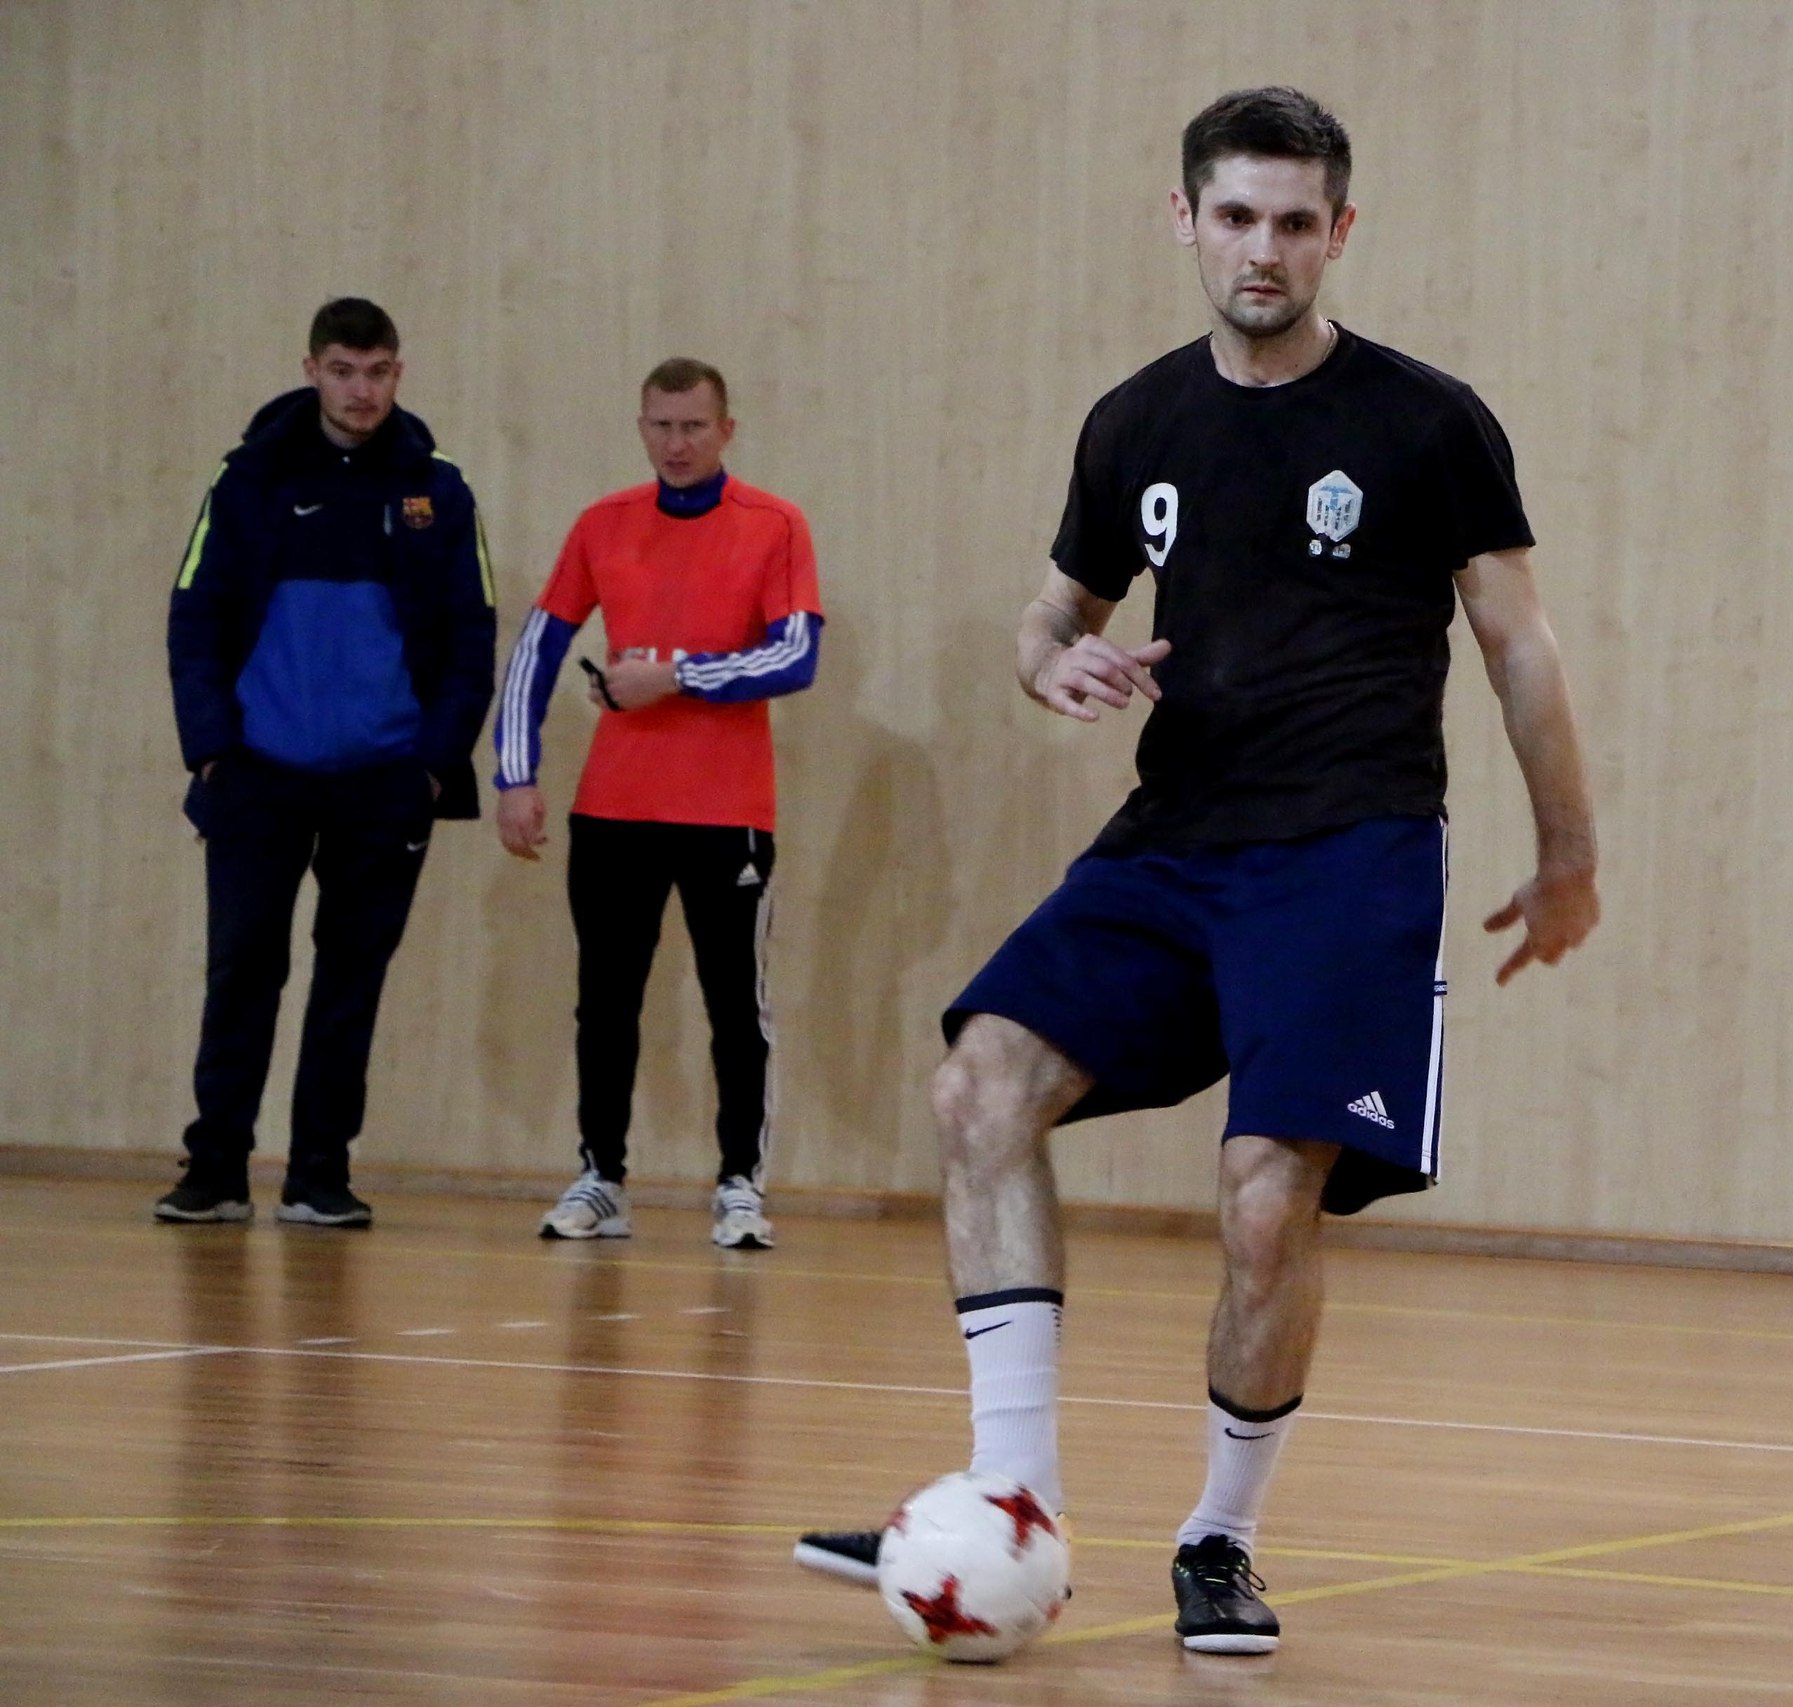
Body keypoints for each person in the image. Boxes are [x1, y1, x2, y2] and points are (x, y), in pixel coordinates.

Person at [794, 88, 1599, 1653]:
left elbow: (1519, 642)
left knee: (1264, 1201)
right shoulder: (1137, 420)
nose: (1263, 249)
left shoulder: (1428, 422)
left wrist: (1569, 850)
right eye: (1235, 215)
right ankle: (1013, 1502)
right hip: (1174, 842)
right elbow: (1055, 610)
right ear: (1186, 219)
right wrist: (1052, 661)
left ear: (1339, 231)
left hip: (1352, 851)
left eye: (1296, 221)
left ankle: (1220, 1535)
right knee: (980, 1085)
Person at [160, 297, 498, 1228]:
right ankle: (216, 1168)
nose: (361, 391)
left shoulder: (440, 492)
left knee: (351, 980)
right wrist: (213, 751)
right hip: (257, 774)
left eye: (378, 371)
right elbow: (193, 616)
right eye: (344, 371)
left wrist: (432, 766)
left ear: (399, 373)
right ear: (311, 369)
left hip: (385, 782)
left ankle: (318, 1174)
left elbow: (472, 639)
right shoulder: (246, 480)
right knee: (242, 969)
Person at [491, 359, 823, 1251]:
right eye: (661, 426)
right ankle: (601, 1175)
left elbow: (794, 656)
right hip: (614, 808)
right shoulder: (603, 523)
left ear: (726, 430)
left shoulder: (774, 524)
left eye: (693, 426)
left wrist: (674, 677)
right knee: (605, 1001)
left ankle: (740, 1184)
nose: (677, 444)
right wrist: (515, 774)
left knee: (734, 1006)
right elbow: (536, 651)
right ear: (641, 427)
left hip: (728, 811)